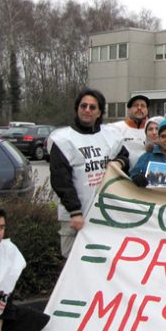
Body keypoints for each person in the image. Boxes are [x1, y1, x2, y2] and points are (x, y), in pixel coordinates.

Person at [48, 89, 129, 258]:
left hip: (102, 215)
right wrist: (75, 211)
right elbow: (60, 180)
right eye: (83, 106)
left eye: (93, 107)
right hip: (74, 216)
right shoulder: (63, 140)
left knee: (99, 262)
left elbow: (125, 157)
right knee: (71, 262)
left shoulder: (110, 135)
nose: (87, 110)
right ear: (77, 108)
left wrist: (119, 162)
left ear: (99, 112)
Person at [0, 205, 50, 331]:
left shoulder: (6, 252)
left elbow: (5, 290)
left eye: (1, 227)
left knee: (34, 320)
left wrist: (0, 320)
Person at [107, 94, 150, 168]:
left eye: (143, 106)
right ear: (129, 109)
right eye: (135, 105)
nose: (139, 108)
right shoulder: (115, 128)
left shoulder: (154, 129)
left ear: (147, 110)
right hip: (123, 173)